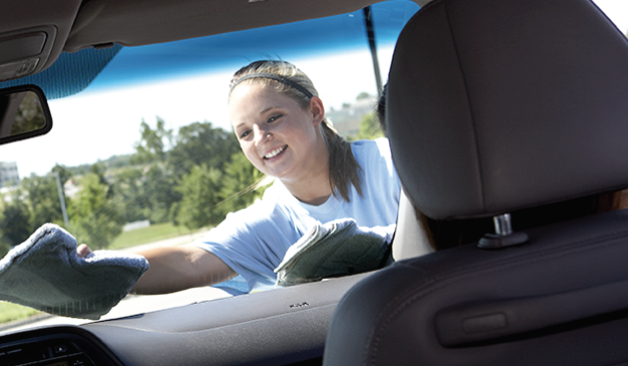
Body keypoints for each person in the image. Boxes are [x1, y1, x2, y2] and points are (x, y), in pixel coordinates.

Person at [81, 60, 401, 294]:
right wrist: (95, 267)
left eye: (273, 118)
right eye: (245, 132)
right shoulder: (270, 219)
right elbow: (191, 260)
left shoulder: (394, 162)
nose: (261, 138)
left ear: (315, 111)